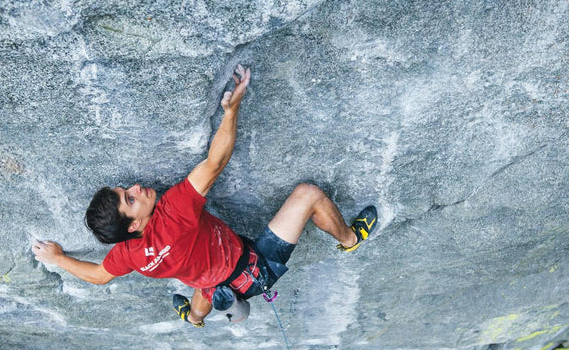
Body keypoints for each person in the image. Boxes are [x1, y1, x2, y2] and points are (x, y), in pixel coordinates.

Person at [30, 64, 377, 327]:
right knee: (308, 194)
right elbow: (216, 161)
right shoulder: (175, 211)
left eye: (126, 190)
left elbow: (98, 276)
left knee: (204, 287)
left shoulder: (130, 255)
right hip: (255, 269)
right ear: (134, 225)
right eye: (130, 199)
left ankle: (194, 320)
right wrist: (232, 110)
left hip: (210, 281)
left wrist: (58, 258)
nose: (135, 187)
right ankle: (349, 239)